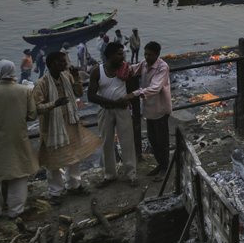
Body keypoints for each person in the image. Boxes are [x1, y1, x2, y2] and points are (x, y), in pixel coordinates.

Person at [34, 51, 100, 202]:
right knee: (53, 159)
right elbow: (37, 108)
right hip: (52, 126)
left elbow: (79, 93)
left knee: (74, 154)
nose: (65, 64)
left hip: (70, 122)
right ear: (52, 64)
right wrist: (54, 104)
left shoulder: (67, 76)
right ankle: (55, 192)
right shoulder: (42, 83)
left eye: (65, 61)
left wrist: (76, 77)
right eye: (62, 62)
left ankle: (74, 185)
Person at [0, 60, 39, 219]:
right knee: (19, 173)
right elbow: (32, 115)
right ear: (13, 72)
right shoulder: (25, 91)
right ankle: (15, 211)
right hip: (18, 138)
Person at [88, 42, 137, 187]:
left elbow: (132, 90)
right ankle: (110, 175)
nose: (123, 57)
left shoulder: (125, 70)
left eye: (123, 54)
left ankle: (131, 174)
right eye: (119, 54)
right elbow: (91, 96)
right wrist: (114, 103)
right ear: (110, 55)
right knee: (106, 142)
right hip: (106, 110)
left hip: (122, 110)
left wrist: (128, 102)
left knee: (127, 141)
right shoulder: (97, 71)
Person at [131, 41, 172, 178]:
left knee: (162, 141)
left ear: (157, 54)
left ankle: (164, 168)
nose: (147, 57)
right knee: (153, 140)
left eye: (150, 55)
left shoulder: (162, 67)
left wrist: (135, 94)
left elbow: (155, 87)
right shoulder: (144, 64)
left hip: (160, 109)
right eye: (145, 54)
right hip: (149, 110)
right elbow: (133, 69)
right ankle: (160, 164)